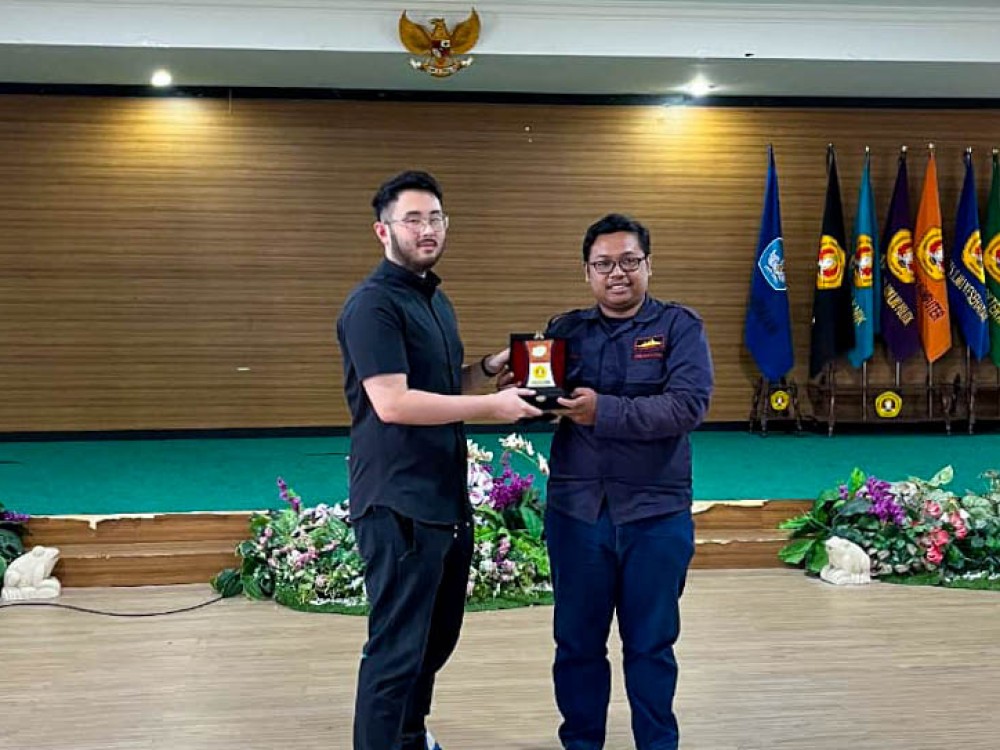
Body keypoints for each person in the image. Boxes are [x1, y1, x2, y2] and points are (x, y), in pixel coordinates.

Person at [336, 170, 542, 750]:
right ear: (383, 230)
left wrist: (492, 367)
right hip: (398, 501)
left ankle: (410, 737)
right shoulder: (373, 305)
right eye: (412, 219)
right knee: (396, 649)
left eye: (435, 218)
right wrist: (492, 407)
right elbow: (393, 403)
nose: (426, 229)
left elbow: (440, 386)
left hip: (442, 498)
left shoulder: (433, 299)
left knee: (433, 641)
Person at [542, 213, 714, 750]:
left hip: (654, 514)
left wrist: (603, 411)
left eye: (629, 261)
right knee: (576, 646)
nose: (617, 273)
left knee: (651, 647)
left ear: (648, 265)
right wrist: (520, 387)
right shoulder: (565, 331)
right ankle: (581, 743)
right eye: (603, 264)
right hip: (577, 514)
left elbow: (686, 406)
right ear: (587, 272)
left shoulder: (680, 327)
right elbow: (540, 400)